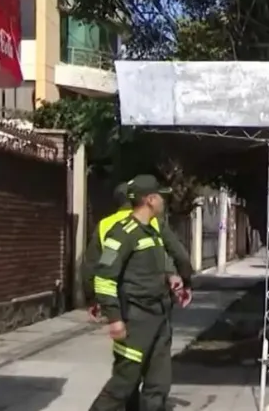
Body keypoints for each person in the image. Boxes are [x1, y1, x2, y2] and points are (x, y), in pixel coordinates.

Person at [85, 175, 184, 411]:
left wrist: (171, 277)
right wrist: (115, 319)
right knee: (123, 383)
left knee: (157, 384)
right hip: (136, 320)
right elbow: (103, 277)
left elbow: (151, 266)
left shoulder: (151, 231)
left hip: (159, 316)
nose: (163, 201)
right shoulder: (122, 234)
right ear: (150, 199)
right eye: (160, 196)